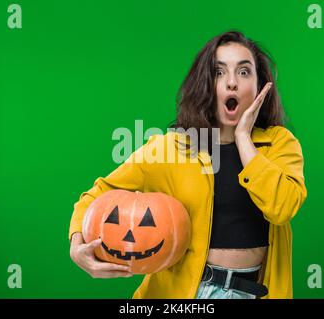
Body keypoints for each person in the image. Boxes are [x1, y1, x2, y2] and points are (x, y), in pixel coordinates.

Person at [68, 30, 307, 299]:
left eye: (244, 72)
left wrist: (243, 138)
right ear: (206, 83)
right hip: (183, 294)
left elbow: (282, 207)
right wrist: (77, 246)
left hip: (254, 291)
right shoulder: (171, 148)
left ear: (261, 85)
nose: (231, 83)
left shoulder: (279, 145)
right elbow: (97, 194)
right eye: (219, 72)